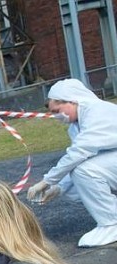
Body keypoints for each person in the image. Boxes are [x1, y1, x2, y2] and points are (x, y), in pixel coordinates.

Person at [27, 78, 117, 247]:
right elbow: (79, 160)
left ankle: (111, 223)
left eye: (58, 110)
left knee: (84, 172)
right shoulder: (76, 126)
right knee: (77, 181)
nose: (57, 116)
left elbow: (79, 154)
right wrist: (58, 188)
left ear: (72, 100)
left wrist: (48, 181)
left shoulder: (97, 112)